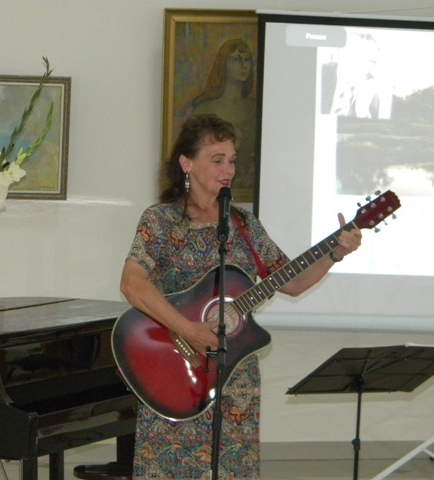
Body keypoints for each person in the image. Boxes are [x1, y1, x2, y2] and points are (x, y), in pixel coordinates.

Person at [119, 114, 362, 479]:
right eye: (217, 160)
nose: (228, 169)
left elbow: (292, 282)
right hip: (174, 374)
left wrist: (335, 253)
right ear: (186, 163)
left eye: (231, 160)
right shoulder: (161, 221)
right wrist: (188, 329)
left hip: (236, 382)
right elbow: (132, 284)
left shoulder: (244, 225)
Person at [191, 38, 256, 195]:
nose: (243, 65)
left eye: (247, 59)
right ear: (223, 65)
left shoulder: (258, 109)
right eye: (236, 60)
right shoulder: (203, 109)